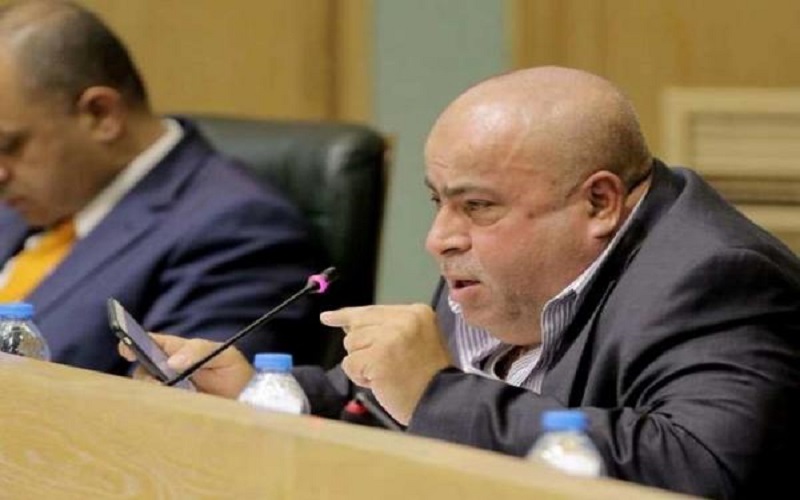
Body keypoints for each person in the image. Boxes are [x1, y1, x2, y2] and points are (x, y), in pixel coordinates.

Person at [122, 66, 800, 499]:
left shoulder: (718, 278)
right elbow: (384, 401)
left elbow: (699, 469)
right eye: (437, 200)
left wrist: (434, 392)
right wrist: (261, 392)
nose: (439, 236)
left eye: (476, 205)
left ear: (599, 203)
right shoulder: (497, 255)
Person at [0, 0, 323, 374]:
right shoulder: (33, 199)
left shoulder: (239, 232)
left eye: (8, 145)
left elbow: (176, 397)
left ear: (101, 114)